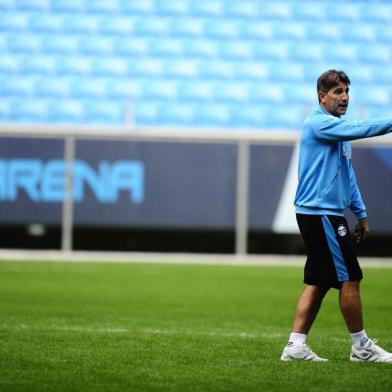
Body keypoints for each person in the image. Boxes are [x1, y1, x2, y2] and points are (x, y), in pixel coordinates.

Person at [280, 69, 392, 362]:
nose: (344, 97)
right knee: (350, 278)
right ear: (322, 96)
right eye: (337, 92)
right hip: (321, 214)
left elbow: (347, 175)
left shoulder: (335, 129)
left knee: (319, 280)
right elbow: (360, 129)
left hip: (324, 213)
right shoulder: (319, 124)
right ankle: (361, 347)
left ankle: (295, 346)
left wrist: (361, 213)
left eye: (346, 92)